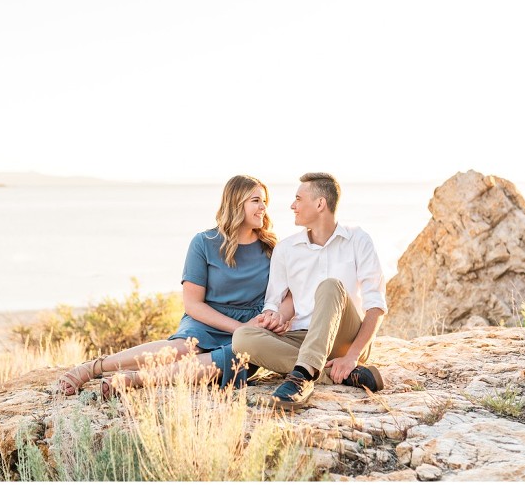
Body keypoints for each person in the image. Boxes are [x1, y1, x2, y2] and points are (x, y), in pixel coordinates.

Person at [55, 174, 292, 398]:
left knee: (226, 359)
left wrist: (272, 320)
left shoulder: (272, 248)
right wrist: (239, 328)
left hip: (251, 327)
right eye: (256, 201)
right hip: (207, 320)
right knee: (183, 349)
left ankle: (134, 379)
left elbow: (288, 295)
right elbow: (193, 305)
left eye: (264, 202)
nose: (263, 207)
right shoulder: (204, 243)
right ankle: (93, 368)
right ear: (236, 203)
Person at [232, 172, 387, 410]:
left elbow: (376, 306)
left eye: (298, 199)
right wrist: (275, 317)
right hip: (302, 338)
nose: (292, 206)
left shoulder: (358, 239)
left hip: (345, 339)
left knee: (330, 286)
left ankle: (301, 378)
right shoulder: (286, 249)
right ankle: (333, 374)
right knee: (242, 338)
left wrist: (352, 356)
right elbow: (273, 303)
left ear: (320, 204)